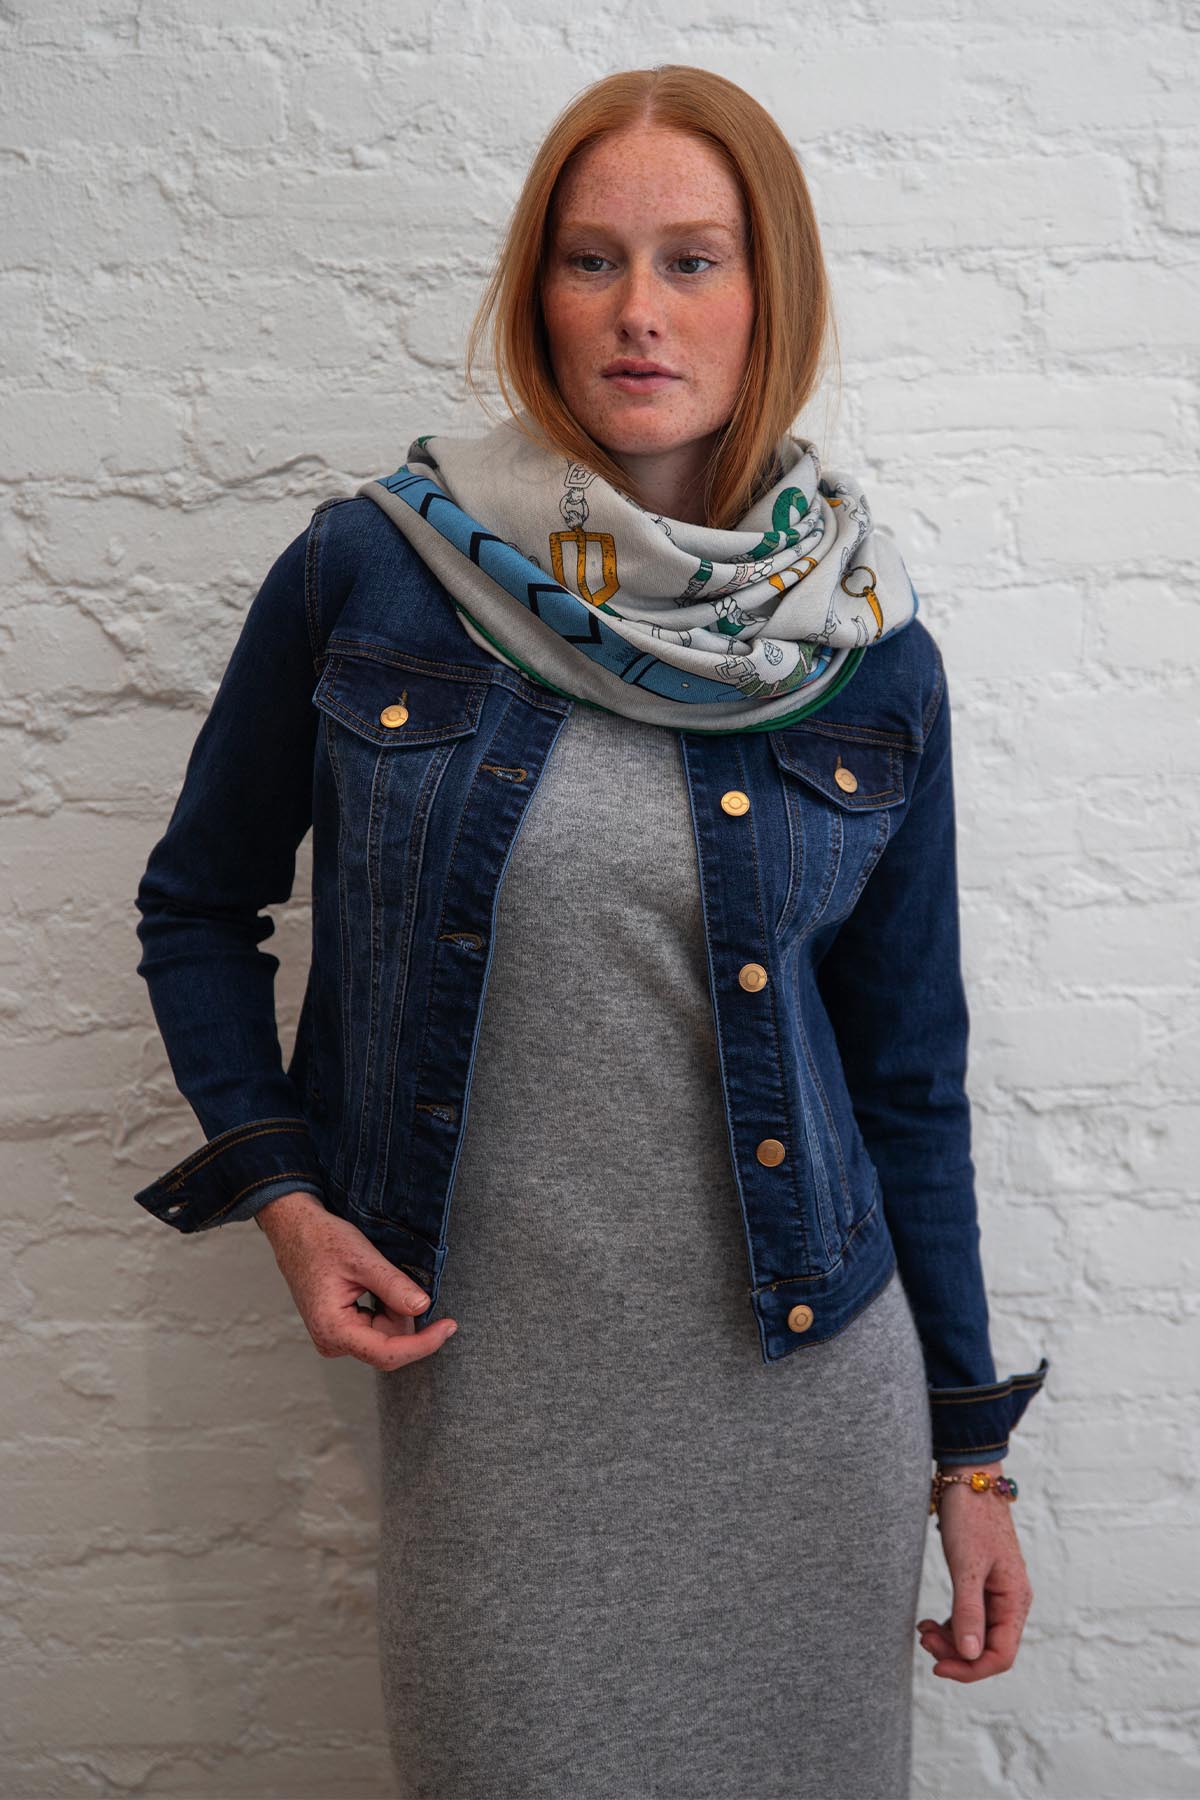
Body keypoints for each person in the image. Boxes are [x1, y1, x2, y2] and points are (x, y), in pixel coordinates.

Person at [132, 64, 1049, 1800]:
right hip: (490, 1404)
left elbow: (910, 1087)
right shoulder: (372, 574)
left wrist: (969, 1461)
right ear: (536, 291)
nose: (639, 311)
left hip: (808, 1394)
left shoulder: (866, 654)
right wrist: (286, 1197)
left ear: (770, 293)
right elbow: (197, 905)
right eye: (590, 259)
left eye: (694, 260)